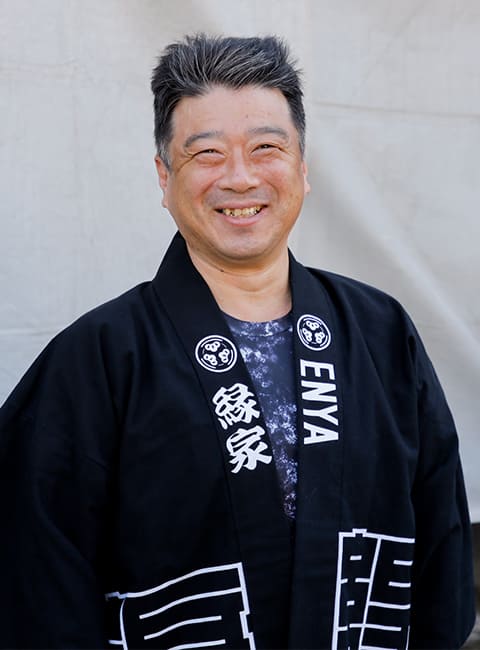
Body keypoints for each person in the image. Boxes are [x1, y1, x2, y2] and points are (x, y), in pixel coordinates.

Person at [0, 34, 475, 650]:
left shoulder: (381, 334)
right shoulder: (97, 359)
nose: (241, 177)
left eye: (266, 148)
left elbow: (442, 555)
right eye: (207, 154)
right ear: (164, 177)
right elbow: (35, 581)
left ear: (302, 168)